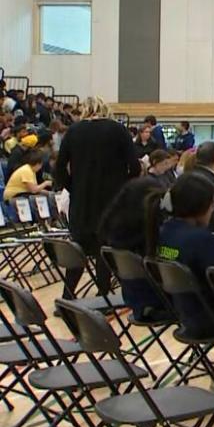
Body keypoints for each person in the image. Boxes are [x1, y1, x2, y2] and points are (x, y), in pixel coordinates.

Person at [147, 172, 214, 379]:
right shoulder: (201, 240)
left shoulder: (163, 232)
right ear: (202, 206)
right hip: (208, 319)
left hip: (183, 312)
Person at [54, 97, 141, 300]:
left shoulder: (73, 131)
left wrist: (73, 187)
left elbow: (59, 168)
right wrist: (122, 189)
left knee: (79, 249)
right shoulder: (118, 130)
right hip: (111, 202)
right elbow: (135, 167)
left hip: (81, 202)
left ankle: (67, 296)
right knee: (105, 248)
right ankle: (103, 296)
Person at [99, 177, 169, 321]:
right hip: (158, 301)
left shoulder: (115, 232)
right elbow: (168, 256)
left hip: (134, 298)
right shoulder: (148, 237)